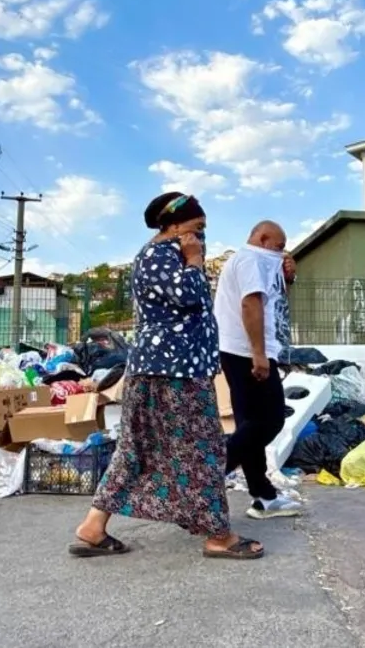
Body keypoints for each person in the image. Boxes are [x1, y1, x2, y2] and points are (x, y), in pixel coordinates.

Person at [70, 191, 264, 560]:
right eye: (197, 227)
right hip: (174, 373)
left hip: (164, 371)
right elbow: (188, 296)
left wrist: (191, 258)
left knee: (137, 449)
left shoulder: (165, 255)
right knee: (203, 449)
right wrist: (194, 261)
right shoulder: (157, 257)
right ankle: (219, 536)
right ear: (174, 225)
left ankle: (93, 528)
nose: (201, 237)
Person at [214, 220, 304, 520]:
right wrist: (259, 354)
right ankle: (208, 476)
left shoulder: (256, 262)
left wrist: (286, 280)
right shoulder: (251, 259)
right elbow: (251, 304)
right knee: (271, 420)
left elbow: (273, 305)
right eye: (279, 247)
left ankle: (263, 496)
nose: (282, 253)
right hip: (246, 351)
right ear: (263, 239)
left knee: (250, 424)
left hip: (242, 350)